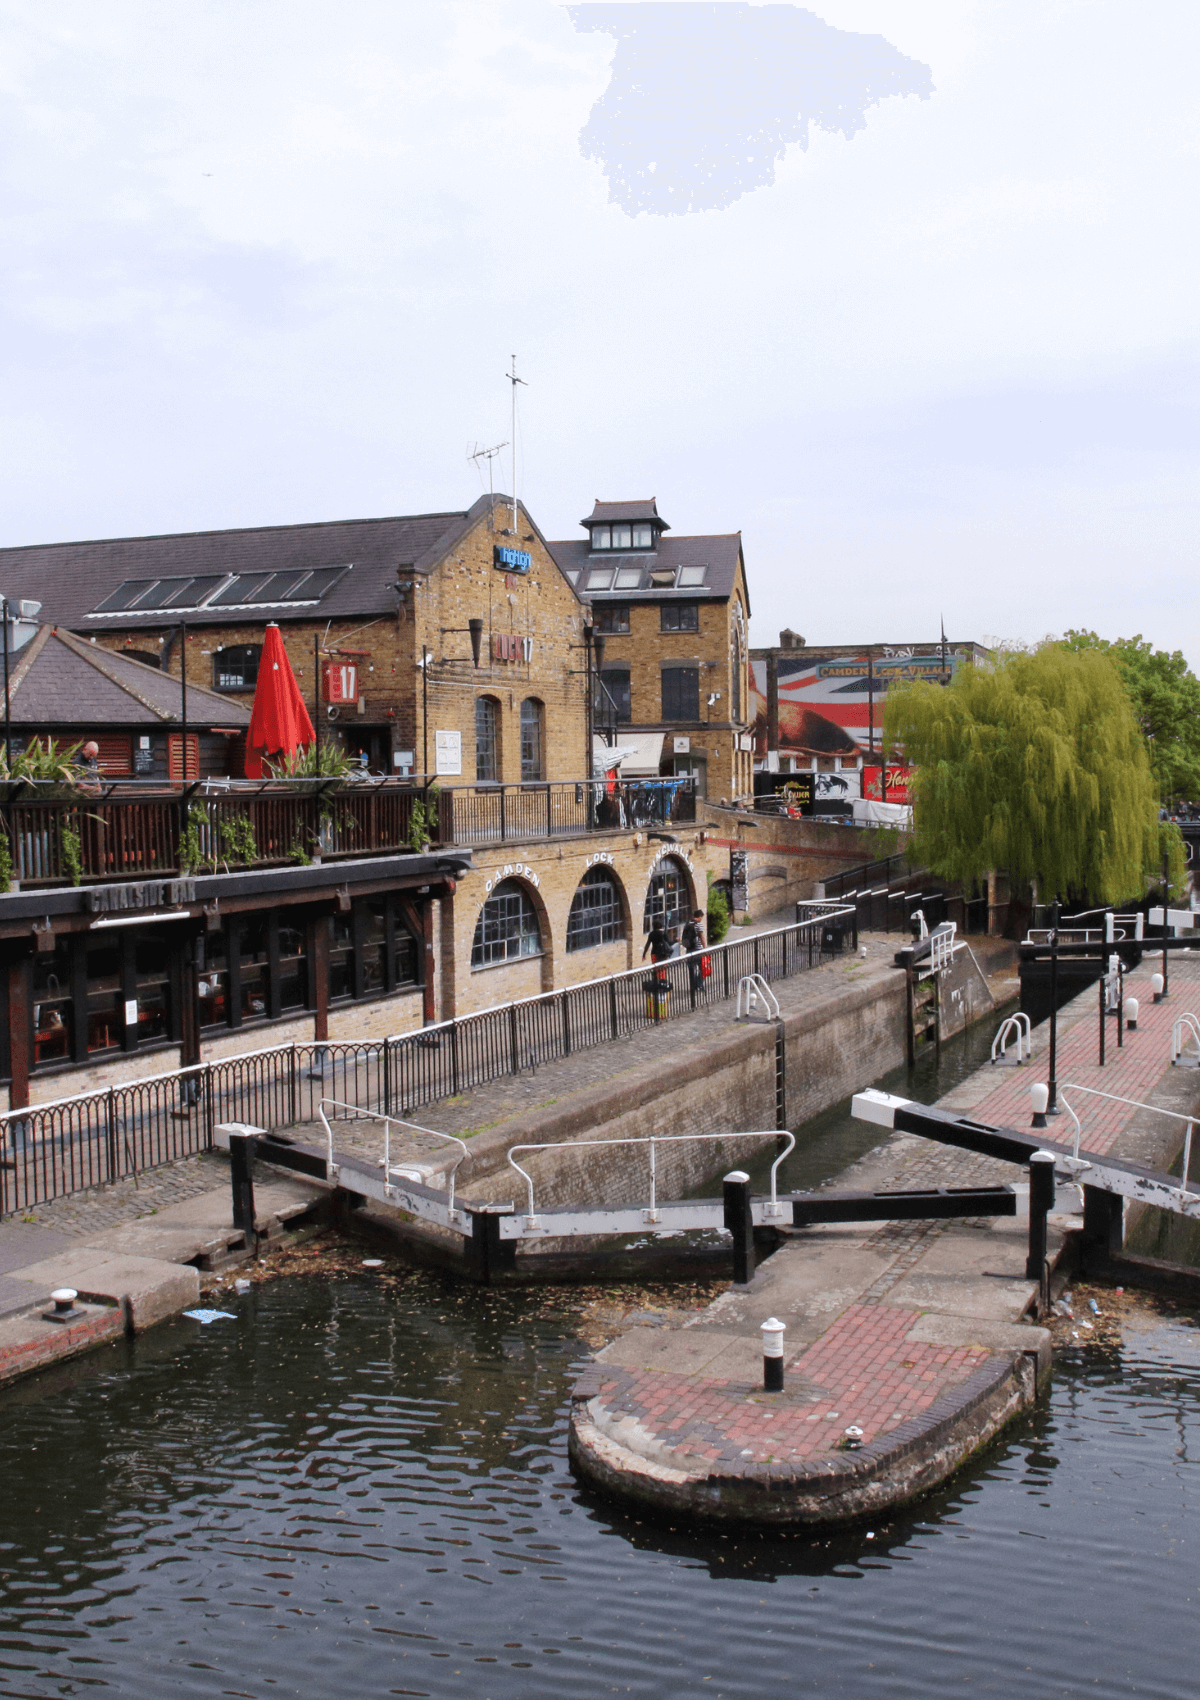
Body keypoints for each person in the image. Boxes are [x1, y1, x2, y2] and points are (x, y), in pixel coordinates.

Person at [681, 907, 706, 1002]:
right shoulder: (698, 925)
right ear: (699, 917)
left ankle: (693, 987)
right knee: (703, 968)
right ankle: (699, 984)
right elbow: (702, 937)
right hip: (698, 950)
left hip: (689, 950)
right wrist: (705, 948)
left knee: (692, 969)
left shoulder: (687, 924)